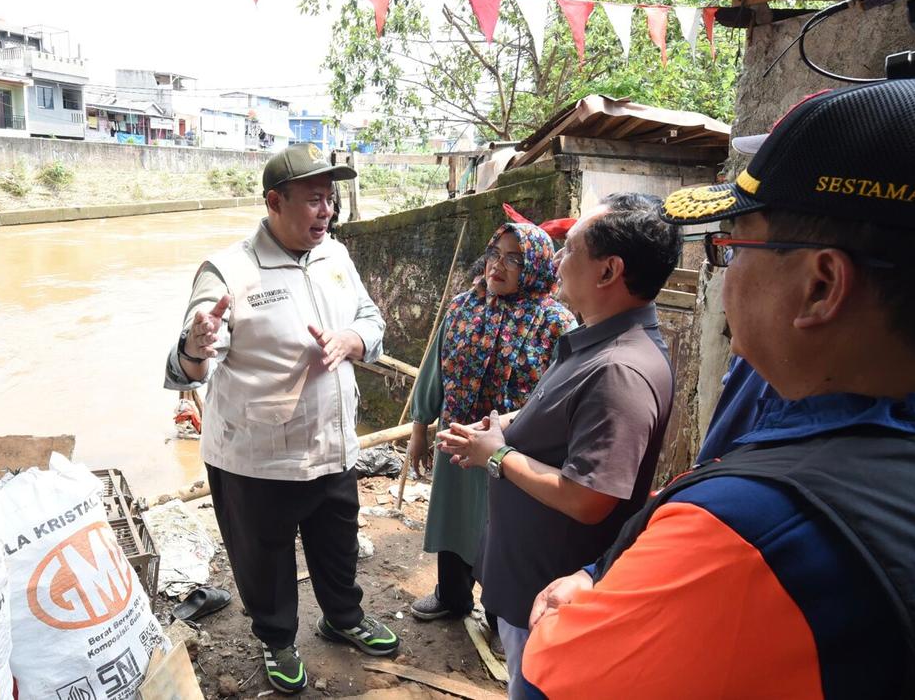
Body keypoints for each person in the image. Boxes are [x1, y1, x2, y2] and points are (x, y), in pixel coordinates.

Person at [518, 79, 915, 698]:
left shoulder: (749, 534)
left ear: (820, 286)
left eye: (730, 248)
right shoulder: (851, 422)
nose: (724, 278)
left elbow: (552, 680)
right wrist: (603, 567)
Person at [164, 143, 399, 695]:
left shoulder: (335, 256)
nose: (327, 211)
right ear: (274, 201)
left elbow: (370, 317)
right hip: (256, 459)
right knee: (264, 560)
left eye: (331, 199)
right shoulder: (228, 271)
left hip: (333, 446)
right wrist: (196, 345)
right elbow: (189, 366)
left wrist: (353, 339)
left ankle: (343, 619)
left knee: (338, 546)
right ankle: (276, 639)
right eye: (314, 199)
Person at [437, 193, 681, 696]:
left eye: (569, 249)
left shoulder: (619, 371)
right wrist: (501, 425)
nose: (558, 261)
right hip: (529, 576)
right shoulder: (595, 341)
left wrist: (497, 455)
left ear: (608, 271)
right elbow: (557, 415)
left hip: (548, 596)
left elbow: (588, 498)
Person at [407, 223, 575, 634]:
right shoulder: (463, 307)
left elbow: (561, 394)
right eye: (495, 254)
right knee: (455, 520)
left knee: (505, 531)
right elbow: (435, 371)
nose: (498, 265)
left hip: (515, 452)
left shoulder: (556, 322)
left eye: (514, 258)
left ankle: (502, 617)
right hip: (458, 439)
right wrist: (419, 428)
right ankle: (452, 596)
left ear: (535, 266)